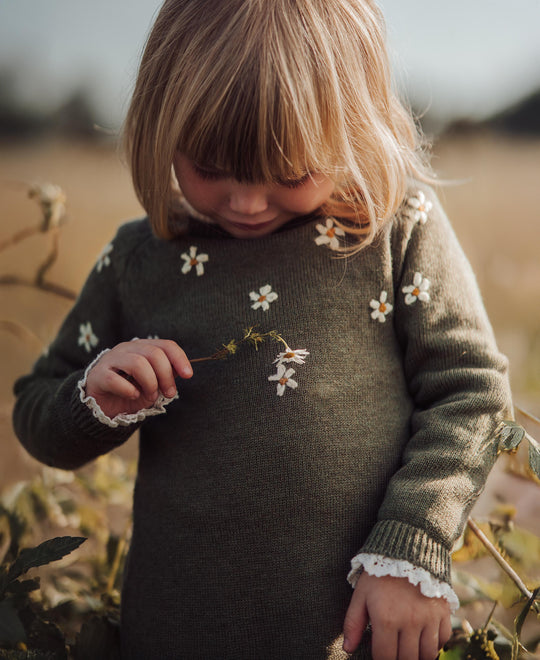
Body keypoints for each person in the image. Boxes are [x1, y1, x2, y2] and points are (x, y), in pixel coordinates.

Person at [13, 0, 513, 658]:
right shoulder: (141, 259)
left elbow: (469, 390)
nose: (246, 202)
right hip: (173, 635)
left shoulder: (395, 232)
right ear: (161, 126)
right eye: (210, 167)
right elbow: (35, 409)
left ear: (352, 128)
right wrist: (92, 398)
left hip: (350, 634)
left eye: (290, 172)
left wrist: (409, 547)